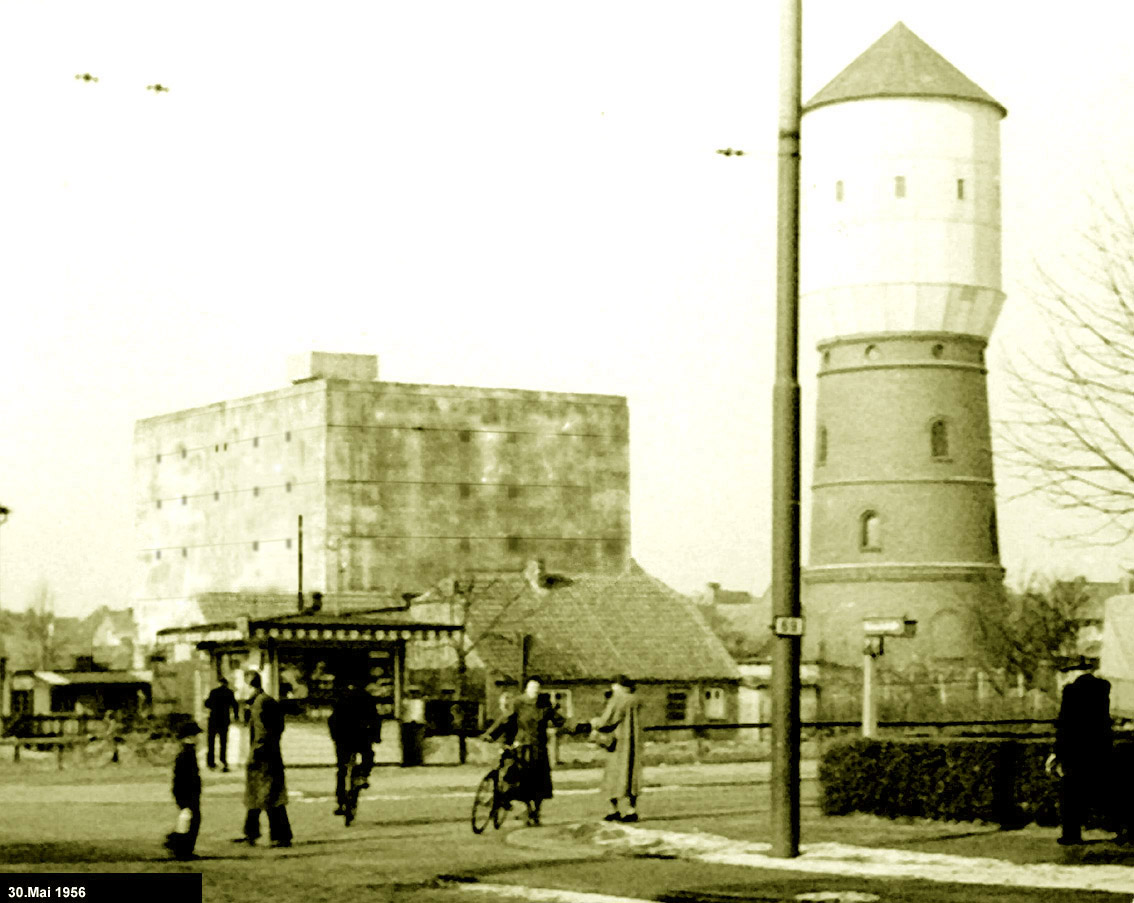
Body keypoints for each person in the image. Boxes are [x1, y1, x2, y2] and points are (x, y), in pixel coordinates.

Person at [482, 676, 566, 826]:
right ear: (527, 689)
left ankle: (536, 812)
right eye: (532, 687)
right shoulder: (518, 703)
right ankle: (522, 807)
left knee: (540, 783)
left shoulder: (544, 705)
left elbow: (559, 720)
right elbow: (505, 719)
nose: (535, 690)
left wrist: (560, 713)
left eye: (537, 688)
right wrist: (491, 734)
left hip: (539, 749)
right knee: (521, 780)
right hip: (522, 747)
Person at [1050, 665, 1113, 845]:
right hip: (1098, 747)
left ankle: (1071, 833)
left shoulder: (1070, 692)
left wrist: (1057, 752)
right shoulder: (1102, 689)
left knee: (1070, 793)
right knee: (1104, 789)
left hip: (1074, 751)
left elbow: (1064, 726)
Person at [233, 671, 293, 848]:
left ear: (248, 685)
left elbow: (261, 732)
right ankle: (252, 832)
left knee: (268, 796)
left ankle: (279, 835)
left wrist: (255, 753)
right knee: (260, 795)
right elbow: (279, 726)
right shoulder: (267, 700)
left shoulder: (259, 704)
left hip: (263, 758)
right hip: (271, 754)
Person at [590, 674, 643, 823]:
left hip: (618, 744)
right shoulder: (636, 700)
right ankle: (632, 809)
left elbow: (606, 721)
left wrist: (594, 722)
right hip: (634, 742)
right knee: (631, 775)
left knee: (613, 776)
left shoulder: (617, 699)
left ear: (617, 685)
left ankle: (614, 810)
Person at [328, 677, 382, 815]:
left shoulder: (341, 698)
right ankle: (363, 775)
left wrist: (335, 737)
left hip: (344, 739)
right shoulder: (366, 697)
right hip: (361, 737)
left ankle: (341, 803)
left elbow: (332, 720)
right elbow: (375, 718)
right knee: (368, 756)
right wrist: (376, 736)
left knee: (342, 770)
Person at [163, 721, 203, 860]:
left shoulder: (185, 752)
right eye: (196, 735)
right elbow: (189, 776)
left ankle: (177, 843)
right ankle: (181, 846)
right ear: (190, 737)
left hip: (184, 791)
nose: (199, 738)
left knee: (187, 818)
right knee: (192, 818)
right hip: (188, 792)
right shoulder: (188, 753)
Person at [204, 676, 238, 772]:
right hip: (224, 720)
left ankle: (211, 762)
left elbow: (207, 704)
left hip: (213, 720)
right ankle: (223, 761)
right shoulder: (229, 693)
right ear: (226, 684)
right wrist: (236, 716)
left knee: (211, 742)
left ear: (219, 683)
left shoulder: (213, 692)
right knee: (223, 742)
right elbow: (235, 705)